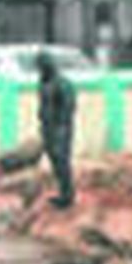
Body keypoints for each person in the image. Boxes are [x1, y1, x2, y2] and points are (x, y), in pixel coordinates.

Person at [37, 52, 77, 207]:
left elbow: (68, 107)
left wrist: (60, 127)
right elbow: (43, 106)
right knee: (54, 161)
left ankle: (68, 195)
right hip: (47, 128)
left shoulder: (62, 83)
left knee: (62, 161)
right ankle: (62, 191)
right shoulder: (43, 83)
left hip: (60, 129)